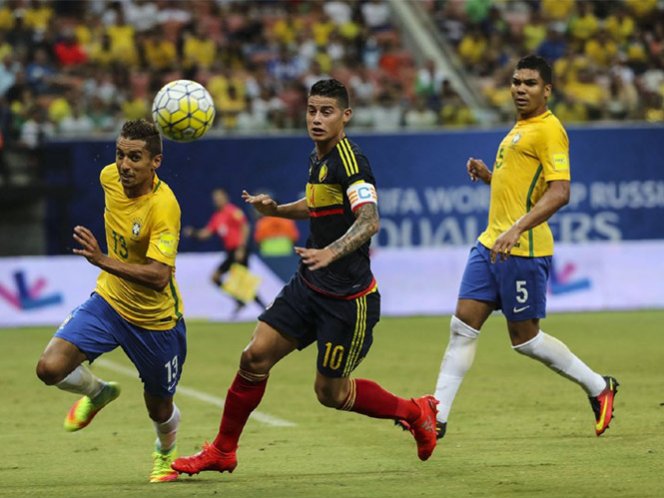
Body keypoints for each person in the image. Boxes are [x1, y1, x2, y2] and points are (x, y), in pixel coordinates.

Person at [171, 79, 439, 477]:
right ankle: (222, 450)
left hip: (347, 299)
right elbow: (316, 204)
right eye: (312, 110)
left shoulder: (352, 163)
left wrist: (331, 251)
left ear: (345, 116)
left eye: (326, 111)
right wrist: (277, 210)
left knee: (330, 393)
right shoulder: (319, 157)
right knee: (254, 357)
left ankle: (415, 411)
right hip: (309, 286)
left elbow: (370, 220)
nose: (316, 118)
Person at [408, 55, 618, 441]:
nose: (520, 89)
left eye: (530, 83)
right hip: (490, 244)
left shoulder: (550, 130)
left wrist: (517, 229)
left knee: (526, 340)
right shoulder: (520, 128)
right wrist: (491, 177)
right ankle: (434, 418)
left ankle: (598, 386)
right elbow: (523, 189)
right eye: (516, 82)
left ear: (547, 90)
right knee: (462, 327)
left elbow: (560, 192)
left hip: (523, 249)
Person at [35, 119, 186, 483]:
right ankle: (97, 392)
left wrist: (102, 260)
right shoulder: (109, 179)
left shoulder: (164, 207)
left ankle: (165, 455)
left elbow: (159, 277)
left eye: (135, 157)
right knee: (49, 368)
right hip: (108, 301)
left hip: (155, 321)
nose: (124, 165)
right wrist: (106, 269)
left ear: (156, 162)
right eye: (120, 155)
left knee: (159, 406)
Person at [183, 188, 267, 314]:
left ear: (226, 198)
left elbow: (245, 226)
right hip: (230, 252)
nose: (217, 200)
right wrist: (193, 233)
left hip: (238, 250)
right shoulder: (217, 217)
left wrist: (241, 247)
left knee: (243, 282)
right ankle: (240, 301)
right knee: (216, 278)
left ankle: (264, 308)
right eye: (215, 199)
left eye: (219, 198)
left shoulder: (233, 211)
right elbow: (206, 233)